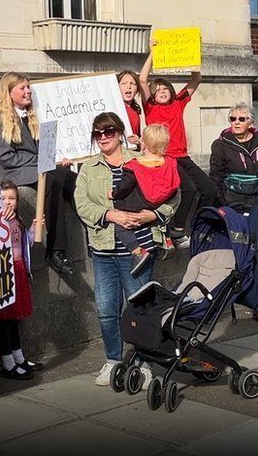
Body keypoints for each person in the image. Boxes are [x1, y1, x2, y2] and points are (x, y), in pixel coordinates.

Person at [74, 113, 179, 387]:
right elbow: (82, 204)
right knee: (107, 308)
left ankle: (144, 363)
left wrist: (152, 216)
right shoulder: (89, 168)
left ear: (120, 132)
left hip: (140, 248)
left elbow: (174, 194)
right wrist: (111, 216)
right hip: (104, 249)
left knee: (140, 309)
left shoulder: (142, 158)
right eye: (98, 133)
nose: (103, 137)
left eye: (108, 131)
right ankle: (112, 360)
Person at [0, 72, 77, 276]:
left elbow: (43, 153)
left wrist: (56, 161)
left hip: (35, 166)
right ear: (9, 93)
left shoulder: (31, 117)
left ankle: (91, 232)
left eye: (28, 87)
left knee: (70, 178)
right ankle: (56, 251)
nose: (28, 91)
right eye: (22, 88)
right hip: (13, 172)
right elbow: (6, 158)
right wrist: (41, 163)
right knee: (52, 182)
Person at [209, 103, 258, 325]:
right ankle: (226, 301)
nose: (236, 123)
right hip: (233, 207)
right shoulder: (221, 145)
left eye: (241, 119)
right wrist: (222, 209)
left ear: (251, 122)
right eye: (233, 119)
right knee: (238, 257)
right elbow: (216, 179)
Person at [139, 39, 217, 246]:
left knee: (210, 190)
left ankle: (200, 225)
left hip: (183, 157)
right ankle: (177, 229)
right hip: (165, 158)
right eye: (158, 90)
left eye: (165, 89)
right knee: (189, 189)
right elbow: (142, 80)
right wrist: (153, 53)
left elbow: (196, 79)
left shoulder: (178, 103)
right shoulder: (150, 108)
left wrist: (193, 56)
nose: (162, 92)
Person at [0, 179, 41, 381]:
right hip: (3, 273)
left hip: (18, 271)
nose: (8, 202)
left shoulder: (17, 219)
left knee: (15, 320)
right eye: (3, 198)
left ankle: (19, 358)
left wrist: (34, 230)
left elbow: (23, 243)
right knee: (5, 321)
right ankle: (8, 363)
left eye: (12, 198)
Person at [110, 124, 181, 274]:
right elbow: (176, 186)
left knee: (120, 225)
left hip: (139, 202)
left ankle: (137, 252)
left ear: (144, 143)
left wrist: (113, 194)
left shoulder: (134, 165)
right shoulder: (169, 162)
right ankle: (167, 239)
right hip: (158, 202)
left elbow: (125, 186)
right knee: (162, 215)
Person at [118, 70, 143, 150]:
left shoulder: (135, 111)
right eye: (124, 83)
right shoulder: (112, 108)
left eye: (132, 83)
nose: (128, 86)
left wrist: (138, 140)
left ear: (137, 90)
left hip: (132, 155)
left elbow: (137, 135)